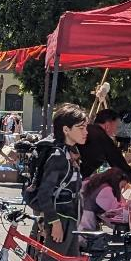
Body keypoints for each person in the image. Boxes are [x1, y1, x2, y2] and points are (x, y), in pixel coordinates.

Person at [26, 105, 91, 245]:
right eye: (81, 128)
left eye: (86, 127)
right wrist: (55, 224)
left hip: (69, 219)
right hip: (57, 221)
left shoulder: (70, 151)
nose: (86, 132)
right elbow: (44, 194)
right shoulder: (58, 157)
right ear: (66, 130)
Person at [83, 108, 131, 194]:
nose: (117, 130)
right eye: (117, 126)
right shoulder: (104, 139)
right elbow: (124, 168)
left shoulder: (86, 130)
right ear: (107, 125)